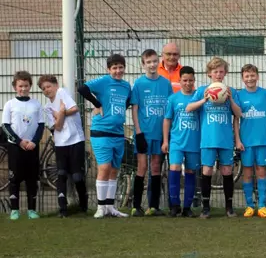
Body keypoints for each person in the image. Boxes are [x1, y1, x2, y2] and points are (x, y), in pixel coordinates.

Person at [186, 57, 242, 219]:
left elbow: (239, 114)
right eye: (215, 71)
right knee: (207, 170)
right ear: (209, 73)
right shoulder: (202, 90)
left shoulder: (230, 91)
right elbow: (189, 108)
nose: (218, 74)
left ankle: (229, 207)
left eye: (221, 71)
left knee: (227, 170)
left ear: (225, 73)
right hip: (208, 139)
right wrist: (204, 99)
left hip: (225, 138)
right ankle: (205, 208)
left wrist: (230, 98)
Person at [78, 54, 131, 219]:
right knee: (104, 168)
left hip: (118, 132)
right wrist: (97, 104)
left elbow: (127, 102)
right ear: (109, 69)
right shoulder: (103, 81)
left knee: (115, 169)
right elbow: (82, 89)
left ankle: (110, 207)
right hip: (101, 131)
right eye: (114, 68)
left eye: (120, 67)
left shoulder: (126, 86)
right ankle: (100, 207)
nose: (117, 70)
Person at [131, 49, 173, 217]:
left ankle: (153, 206)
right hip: (144, 133)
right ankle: (136, 206)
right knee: (142, 167)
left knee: (156, 167)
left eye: (155, 61)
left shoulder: (165, 83)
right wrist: (138, 133)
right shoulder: (139, 84)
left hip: (160, 134)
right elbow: (135, 109)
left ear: (159, 62)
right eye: (148, 62)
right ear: (143, 65)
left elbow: (169, 110)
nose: (152, 64)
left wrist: (166, 136)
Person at [38, 74, 88, 217]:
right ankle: (63, 209)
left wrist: (60, 112)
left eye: (48, 86)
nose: (47, 90)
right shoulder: (47, 107)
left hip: (76, 140)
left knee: (77, 176)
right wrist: (61, 113)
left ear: (56, 85)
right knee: (61, 174)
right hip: (60, 143)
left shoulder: (62, 93)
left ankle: (83, 205)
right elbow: (57, 127)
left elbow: (74, 108)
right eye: (43, 89)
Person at [3, 71, 44, 220]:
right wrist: (19, 141)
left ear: (30, 86)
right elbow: (6, 126)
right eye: (20, 86)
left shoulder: (36, 104)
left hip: (32, 146)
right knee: (15, 178)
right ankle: (15, 210)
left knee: (31, 179)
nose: (23, 88)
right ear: (15, 87)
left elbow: (41, 125)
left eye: (26, 86)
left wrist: (34, 142)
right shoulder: (9, 104)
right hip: (16, 146)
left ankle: (31, 210)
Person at [234, 63, 266, 219]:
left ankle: (262, 205)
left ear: (257, 76)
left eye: (252, 75)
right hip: (246, 141)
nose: (250, 78)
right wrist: (237, 139)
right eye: (247, 76)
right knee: (248, 172)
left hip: (262, 140)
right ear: (243, 78)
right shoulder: (239, 95)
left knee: (261, 171)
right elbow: (236, 119)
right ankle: (249, 205)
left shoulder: (264, 94)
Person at [163, 66, 200, 218]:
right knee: (175, 168)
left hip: (194, 141)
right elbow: (167, 119)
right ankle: (175, 205)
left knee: (191, 172)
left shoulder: (199, 97)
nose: (188, 83)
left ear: (194, 80)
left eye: (191, 80)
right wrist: (166, 141)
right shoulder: (173, 99)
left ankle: (187, 207)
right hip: (177, 141)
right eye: (185, 80)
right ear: (180, 81)